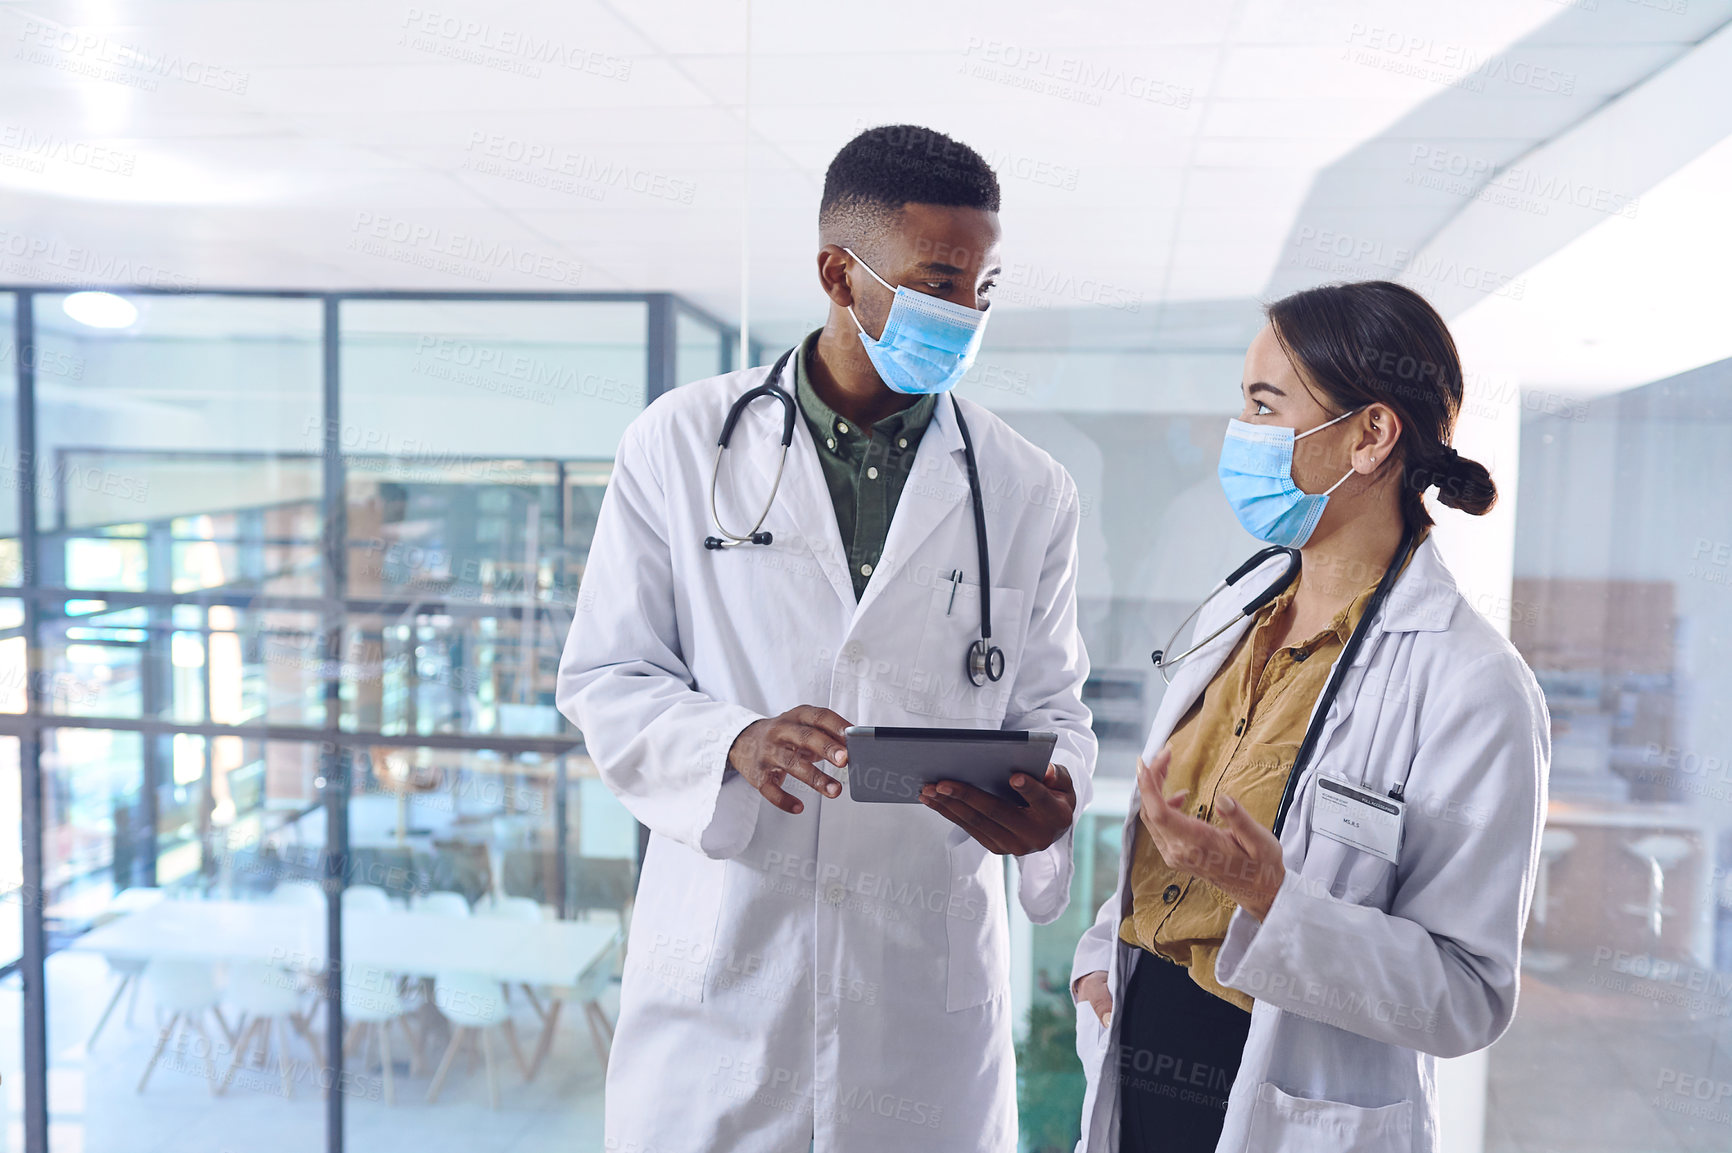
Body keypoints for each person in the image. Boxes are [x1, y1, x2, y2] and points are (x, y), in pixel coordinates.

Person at [557, 124, 1097, 1153]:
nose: (966, 314)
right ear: (838, 275)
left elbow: (1050, 707)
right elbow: (607, 676)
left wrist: (1053, 796)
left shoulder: (1027, 487)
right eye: (940, 282)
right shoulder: (679, 444)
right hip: (725, 975)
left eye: (982, 287)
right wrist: (729, 741)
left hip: (915, 1000)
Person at [1070, 281, 1550, 1152]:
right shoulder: (1233, 612)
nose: (1241, 434)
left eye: (1265, 405)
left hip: (1291, 1096)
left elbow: (1469, 993)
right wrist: (1096, 966)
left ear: (1370, 436)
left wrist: (1271, 896)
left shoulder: (1472, 682)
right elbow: (1161, 849)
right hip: (1138, 1053)